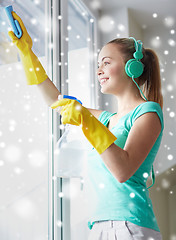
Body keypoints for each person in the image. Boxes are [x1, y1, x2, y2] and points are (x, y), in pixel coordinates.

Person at [9, 11, 164, 240]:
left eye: (107, 63)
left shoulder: (148, 112)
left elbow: (122, 170)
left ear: (133, 67)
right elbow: (56, 101)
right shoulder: (105, 120)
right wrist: (27, 53)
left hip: (130, 226)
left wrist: (87, 121)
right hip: (98, 226)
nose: (99, 70)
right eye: (98, 64)